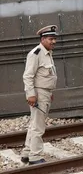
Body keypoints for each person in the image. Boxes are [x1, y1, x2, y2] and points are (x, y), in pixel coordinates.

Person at [21, 25, 58, 165]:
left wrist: (50, 92)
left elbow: (46, 75)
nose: (53, 42)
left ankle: (27, 153)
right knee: (38, 126)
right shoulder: (36, 53)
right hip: (38, 94)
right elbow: (28, 76)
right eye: (50, 39)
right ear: (43, 39)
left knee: (34, 125)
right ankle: (35, 157)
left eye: (54, 39)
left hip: (44, 93)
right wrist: (31, 95)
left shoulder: (47, 52)